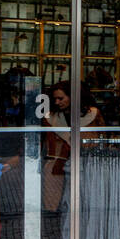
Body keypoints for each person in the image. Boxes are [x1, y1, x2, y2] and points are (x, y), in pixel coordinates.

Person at [43, 82, 104, 212]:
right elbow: (47, 142)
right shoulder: (49, 117)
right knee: (56, 203)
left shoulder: (93, 114)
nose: (57, 102)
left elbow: (102, 137)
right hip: (58, 164)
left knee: (86, 201)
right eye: (54, 99)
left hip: (87, 162)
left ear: (73, 97)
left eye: (61, 98)